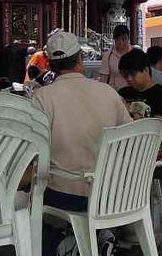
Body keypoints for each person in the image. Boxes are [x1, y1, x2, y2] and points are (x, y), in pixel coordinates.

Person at [32, 30, 132, 211]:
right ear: (80, 59)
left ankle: (64, 237)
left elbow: (32, 149)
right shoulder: (108, 92)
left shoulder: (42, 97)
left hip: (64, 195)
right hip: (109, 194)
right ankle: (97, 234)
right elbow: (130, 137)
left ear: (51, 65)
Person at [117, 49, 162, 119]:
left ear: (146, 70)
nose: (129, 79)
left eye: (133, 74)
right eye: (125, 75)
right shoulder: (123, 93)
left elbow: (158, 126)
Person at [99, 25, 134, 90]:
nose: (121, 42)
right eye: (118, 39)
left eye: (124, 39)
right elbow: (104, 79)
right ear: (114, 40)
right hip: (114, 92)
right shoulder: (108, 55)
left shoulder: (134, 53)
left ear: (128, 39)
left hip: (132, 91)